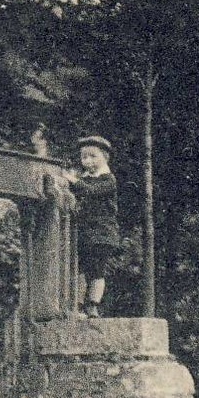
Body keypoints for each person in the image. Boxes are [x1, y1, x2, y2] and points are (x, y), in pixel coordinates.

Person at [67, 134, 127, 317]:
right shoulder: (84, 178)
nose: (87, 161)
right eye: (84, 157)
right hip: (84, 233)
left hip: (102, 233)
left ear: (105, 157)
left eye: (93, 156)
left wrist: (74, 181)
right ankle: (76, 305)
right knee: (80, 269)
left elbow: (92, 191)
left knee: (97, 270)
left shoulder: (108, 179)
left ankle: (92, 304)